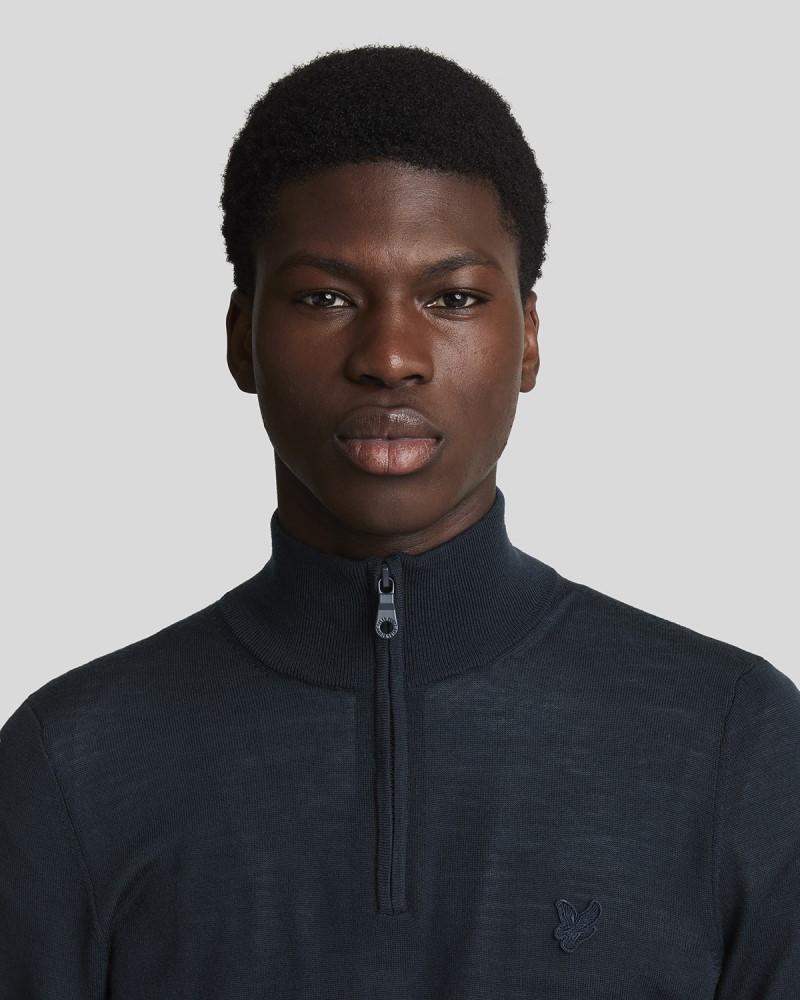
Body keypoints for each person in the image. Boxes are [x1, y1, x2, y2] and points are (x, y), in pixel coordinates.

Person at [1, 44, 798, 999]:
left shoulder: (734, 741)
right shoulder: (76, 762)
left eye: (453, 298)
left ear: (529, 339)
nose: (389, 357)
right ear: (241, 337)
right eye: (326, 297)